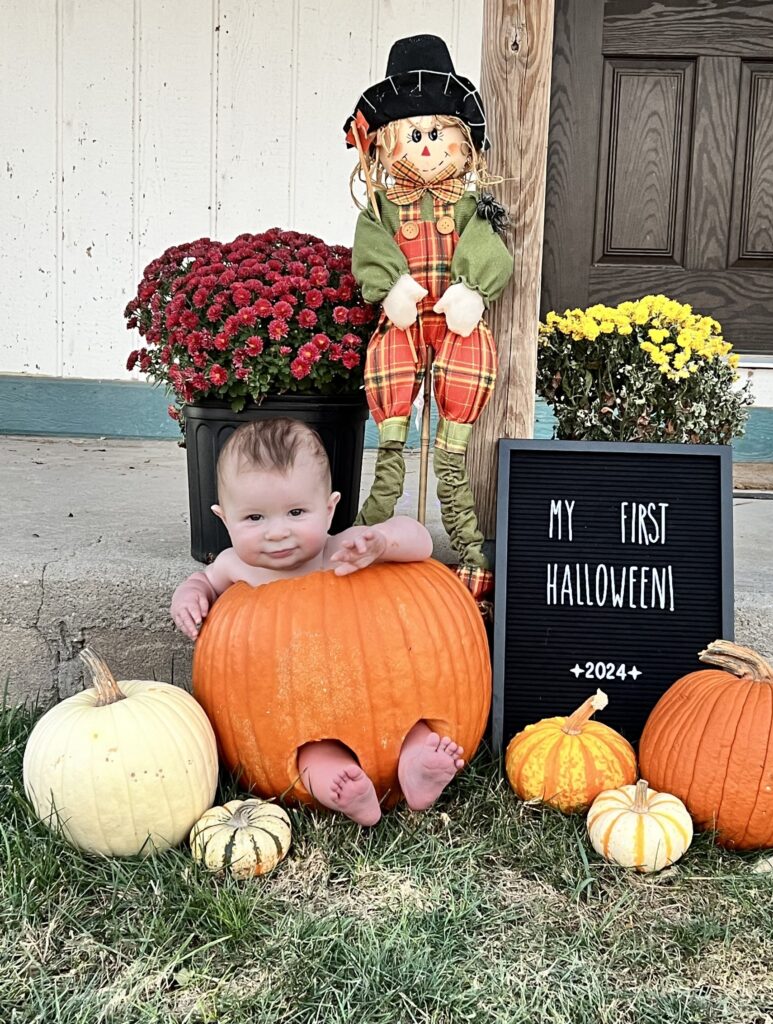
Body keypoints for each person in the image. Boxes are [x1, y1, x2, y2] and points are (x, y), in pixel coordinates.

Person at [171, 417, 463, 826]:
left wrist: (381, 543)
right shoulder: (234, 566)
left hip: (376, 685)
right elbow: (202, 581)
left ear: (329, 510)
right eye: (255, 518)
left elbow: (421, 541)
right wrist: (190, 596)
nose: (277, 532)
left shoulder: (339, 549)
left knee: (407, 726)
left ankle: (417, 762)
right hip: (295, 704)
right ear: (224, 519)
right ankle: (342, 790)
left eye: (295, 512)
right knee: (310, 753)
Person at [344, 34, 513, 606]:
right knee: (393, 424)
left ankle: (469, 550)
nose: (424, 147)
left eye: (436, 134)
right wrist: (388, 284)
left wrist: (473, 286)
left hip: (455, 322)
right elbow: (370, 248)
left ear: (460, 142)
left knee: (451, 441)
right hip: (405, 321)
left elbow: (491, 246)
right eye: (413, 136)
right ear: (389, 143)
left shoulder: (470, 205)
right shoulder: (382, 208)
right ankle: (370, 531)